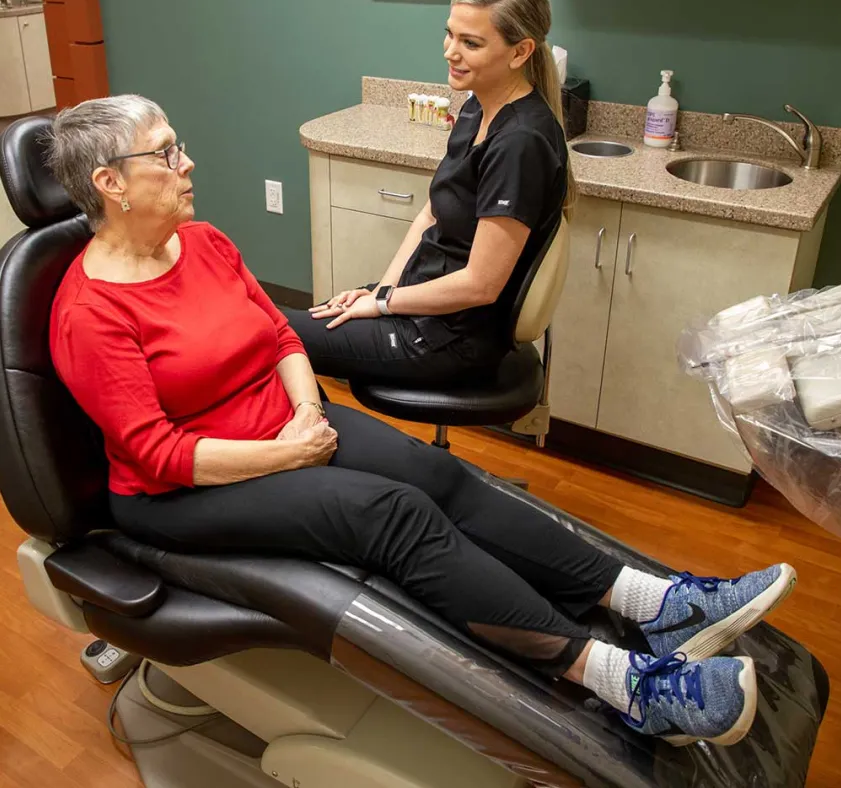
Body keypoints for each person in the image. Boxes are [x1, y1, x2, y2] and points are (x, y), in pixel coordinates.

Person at [47, 93, 797, 747]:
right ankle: (624, 685)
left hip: (285, 426)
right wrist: (288, 456)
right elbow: (156, 455)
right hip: (183, 492)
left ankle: (652, 602)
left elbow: (280, 336)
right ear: (110, 184)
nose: (188, 162)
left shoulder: (203, 243)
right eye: (167, 152)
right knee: (393, 515)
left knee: (438, 473)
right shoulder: (89, 311)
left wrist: (308, 412)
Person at [291, 0, 575, 384]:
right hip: (421, 305)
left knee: (273, 335)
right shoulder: (478, 107)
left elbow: (481, 285)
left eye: (470, 43)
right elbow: (431, 214)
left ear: (520, 52)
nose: (450, 52)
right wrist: (381, 291)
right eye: (450, 34)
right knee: (279, 329)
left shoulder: (520, 143)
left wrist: (386, 303)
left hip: (451, 339)